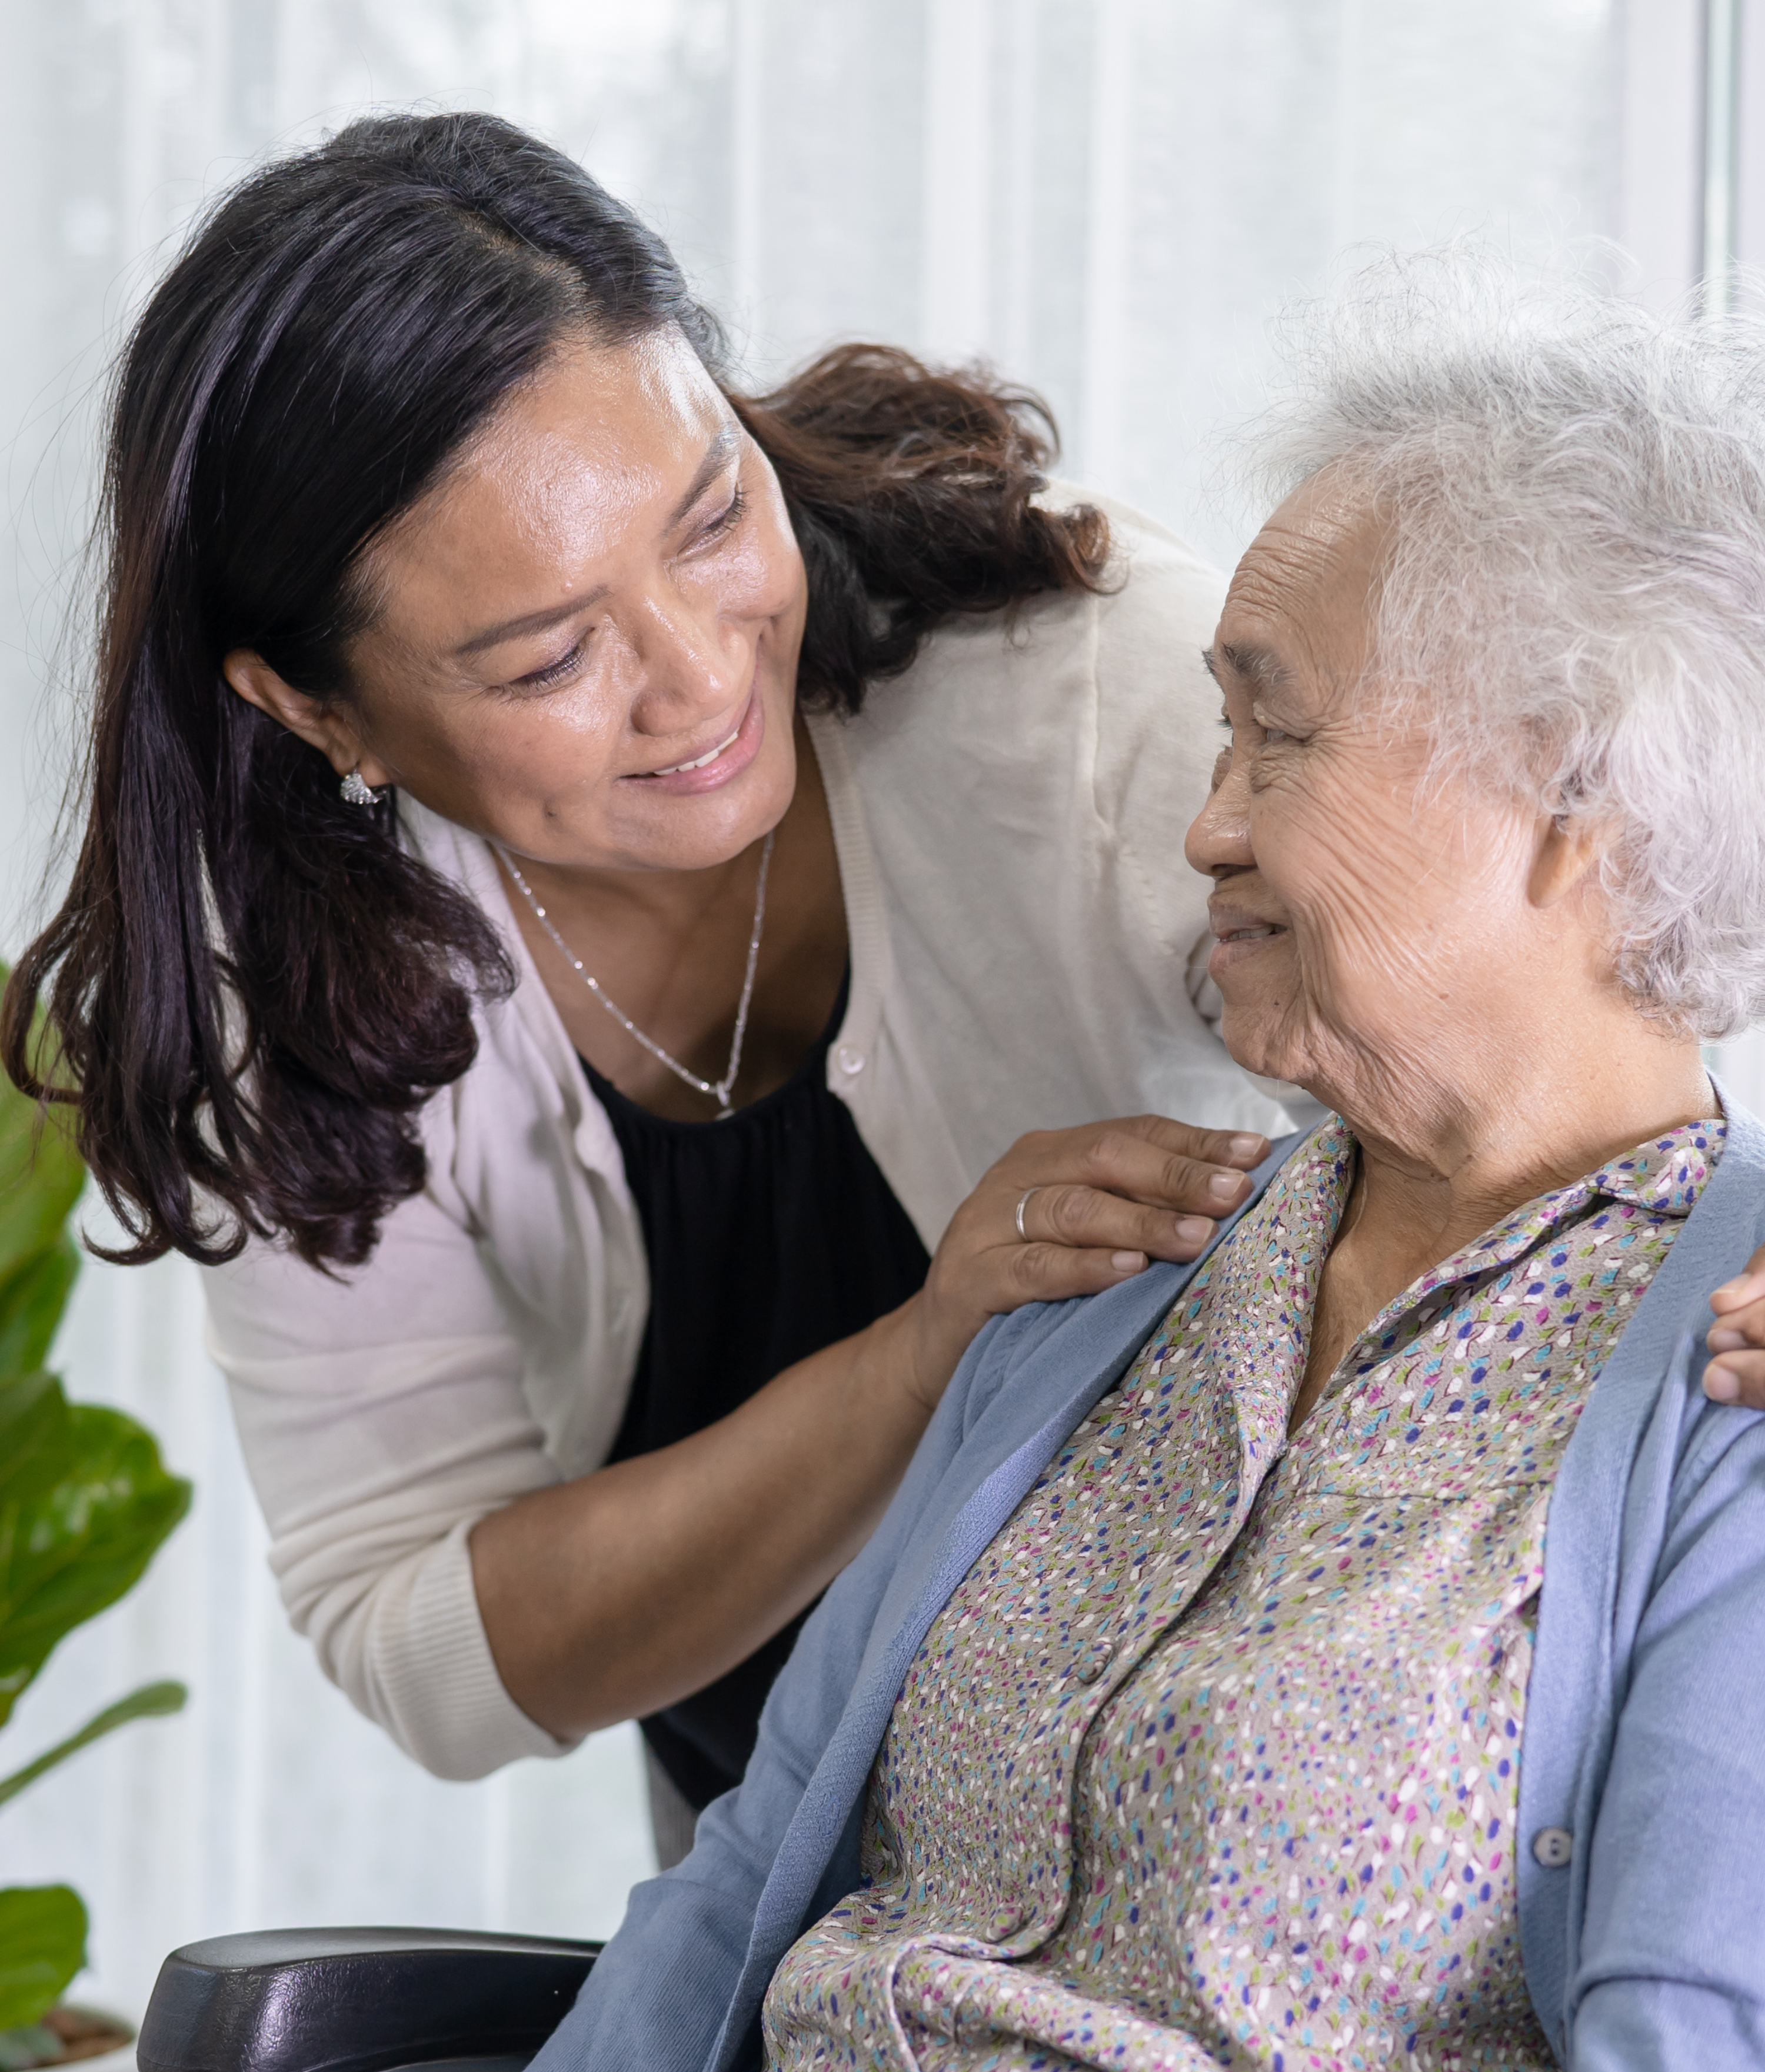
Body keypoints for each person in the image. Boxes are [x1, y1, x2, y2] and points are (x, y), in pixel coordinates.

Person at [15, 256, 1765, 2072]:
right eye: (537, 652)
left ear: (1580, 801)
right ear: (322, 706)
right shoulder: (1107, 1283)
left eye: (1275, 743)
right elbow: (742, 1901)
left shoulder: (1722, 1403)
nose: (1206, 825)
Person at [0, 112, 1299, 1868]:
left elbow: (1532, 1102)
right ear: (318, 712)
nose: (699, 677)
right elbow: (428, 1641)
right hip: (806, 1911)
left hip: (1243, 1833)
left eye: (710, 520)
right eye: (550, 654)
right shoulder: (297, 993)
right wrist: (925, 1362)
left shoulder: (1091, 686)